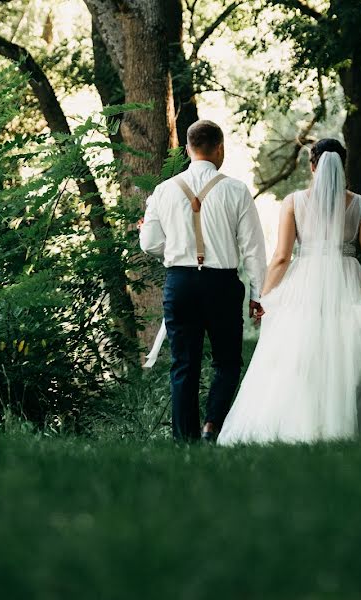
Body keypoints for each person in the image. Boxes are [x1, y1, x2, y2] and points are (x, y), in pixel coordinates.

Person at [218, 139, 361, 446]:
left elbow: (282, 257)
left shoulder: (294, 202)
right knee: (342, 354)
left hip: (304, 282)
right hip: (348, 282)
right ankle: (338, 426)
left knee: (298, 353)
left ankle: (299, 424)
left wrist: (264, 297)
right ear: (343, 164)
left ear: (312, 166)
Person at [139, 120, 267, 442]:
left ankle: (185, 441)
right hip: (221, 285)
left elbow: (149, 244)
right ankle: (213, 424)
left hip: (179, 283)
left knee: (183, 364)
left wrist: (174, 248)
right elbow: (253, 248)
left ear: (187, 149)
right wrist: (257, 293)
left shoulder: (163, 190)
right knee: (227, 361)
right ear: (220, 148)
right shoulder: (236, 190)